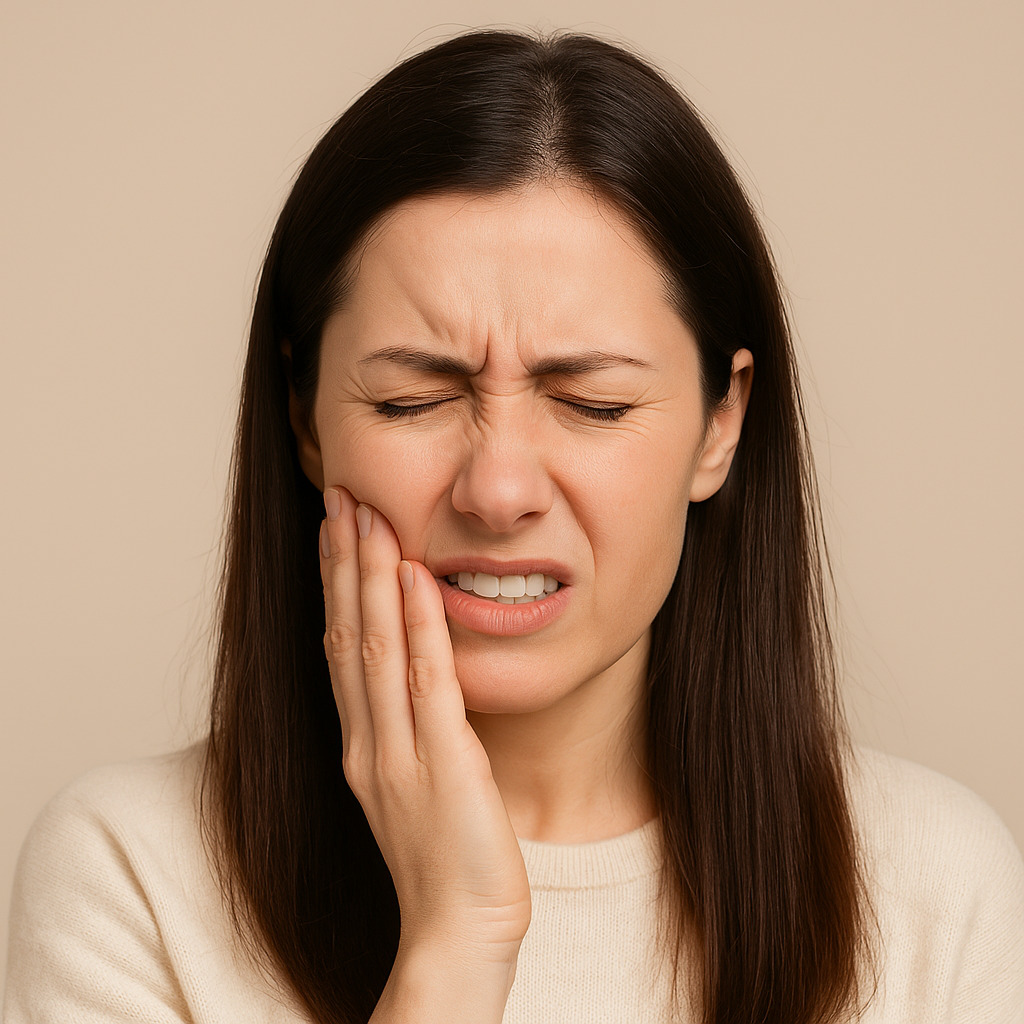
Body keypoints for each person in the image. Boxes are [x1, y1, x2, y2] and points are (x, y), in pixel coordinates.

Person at [4, 27, 1023, 1024]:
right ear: (305, 420)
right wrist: (454, 938)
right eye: (411, 401)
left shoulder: (935, 890)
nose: (497, 491)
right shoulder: (132, 875)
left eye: (593, 405)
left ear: (721, 423)